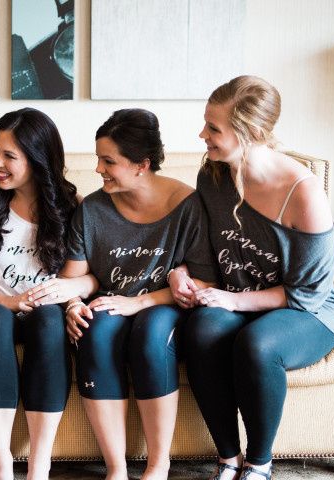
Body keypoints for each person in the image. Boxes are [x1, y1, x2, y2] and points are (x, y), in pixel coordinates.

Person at [180, 75, 334, 480]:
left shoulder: (303, 193)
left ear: (250, 132)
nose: (202, 134)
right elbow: (201, 253)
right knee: (201, 330)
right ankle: (228, 458)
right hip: (238, 299)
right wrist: (181, 274)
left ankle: (258, 464)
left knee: (257, 344)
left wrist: (234, 301)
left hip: (306, 312)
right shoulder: (213, 176)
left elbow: (307, 294)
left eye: (213, 128)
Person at [57, 109, 216, 480]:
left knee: (151, 339)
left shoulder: (187, 206)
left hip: (164, 303)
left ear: (142, 164)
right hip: (111, 301)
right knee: (93, 335)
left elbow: (205, 283)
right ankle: (115, 468)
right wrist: (71, 304)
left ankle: (157, 466)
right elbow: (74, 276)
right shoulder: (93, 209)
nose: (98, 169)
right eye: (99, 158)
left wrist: (140, 302)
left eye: (108, 161)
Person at [0, 108, 84, 480]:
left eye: (9, 155)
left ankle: (39, 463)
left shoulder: (71, 206)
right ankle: (1, 464)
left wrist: (71, 299)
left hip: (46, 312)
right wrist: (1, 297)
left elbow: (84, 274)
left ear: (38, 159)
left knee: (47, 319)